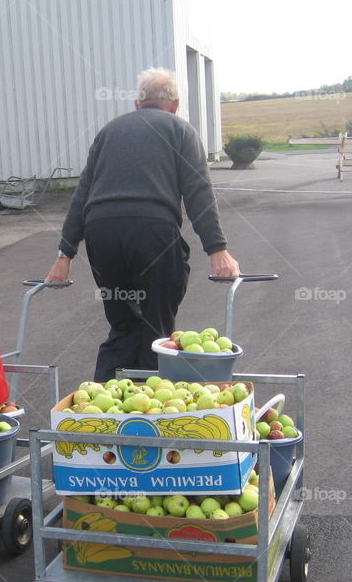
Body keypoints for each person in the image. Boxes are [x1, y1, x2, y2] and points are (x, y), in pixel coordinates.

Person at [45, 67, 240, 381]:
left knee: (122, 323)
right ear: (175, 105)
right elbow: (198, 191)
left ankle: (104, 407)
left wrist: (64, 255)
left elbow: (82, 195)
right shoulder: (181, 130)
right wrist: (218, 250)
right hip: (153, 233)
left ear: (138, 104)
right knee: (156, 326)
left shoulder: (108, 131)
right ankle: (150, 406)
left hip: (102, 233)